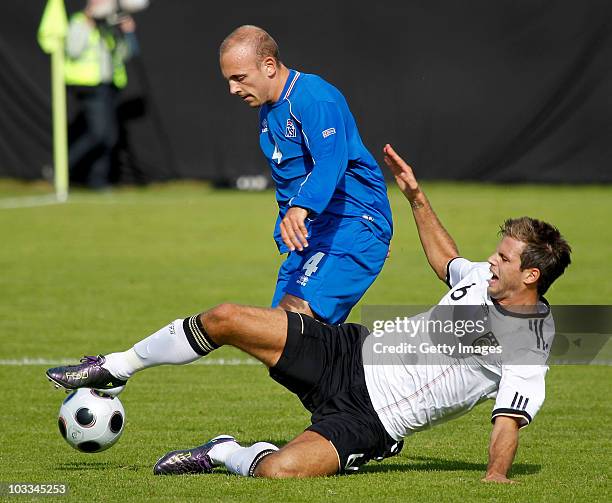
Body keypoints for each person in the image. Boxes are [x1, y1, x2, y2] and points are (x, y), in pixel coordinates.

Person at [46, 144, 571, 481]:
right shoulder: (482, 279)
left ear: (531, 276)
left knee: (279, 471)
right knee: (226, 316)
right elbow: (448, 261)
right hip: (348, 351)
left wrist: (496, 478)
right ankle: (116, 366)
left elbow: (509, 420)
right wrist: (414, 197)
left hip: (370, 421)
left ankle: (224, 451)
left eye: (503, 256)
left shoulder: (527, 343)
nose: (491, 260)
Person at [219, 25, 393, 324]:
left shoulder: (313, 99)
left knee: (291, 327)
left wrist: (365, 234)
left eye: (239, 78)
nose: (233, 89)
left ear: (269, 66)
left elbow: (330, 162)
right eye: (229, 80)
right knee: (282, 346)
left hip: (350, 223)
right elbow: (293, 176)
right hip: (314, 233)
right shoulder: (269, 109)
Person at [65, 0, 138, 189]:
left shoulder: (107, 25)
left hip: (108, 86)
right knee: (98, 134)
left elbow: (125, 54)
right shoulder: (79, 22)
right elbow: (72, 50)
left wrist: (127, 33)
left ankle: (98, 181)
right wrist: (89, 22)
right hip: (88, 86)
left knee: (109, 136)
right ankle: (61, 170)